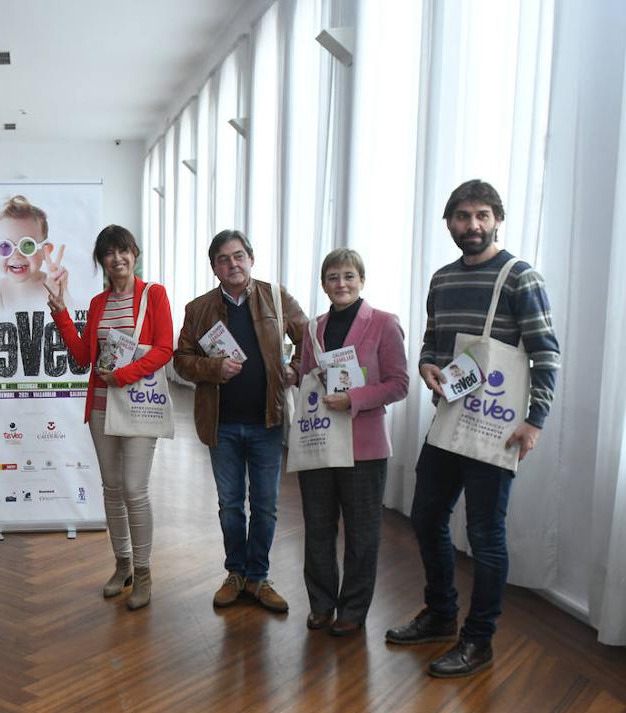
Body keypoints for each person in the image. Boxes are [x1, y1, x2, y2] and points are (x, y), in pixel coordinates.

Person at [387, 180, 560, 677]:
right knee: (425, 516)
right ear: (449, 223)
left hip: (499, 427)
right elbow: (431, 341)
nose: (473, 226)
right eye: (463, 217)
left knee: (486, 535)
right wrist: (425, 367)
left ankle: (478, 640)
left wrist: (535, 421)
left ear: (498, 219)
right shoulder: (442, 279)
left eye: (482, 215)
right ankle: (441, 613)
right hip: (452, 418)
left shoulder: (519, 277)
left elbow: (546, 352)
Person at [173, 229, 306, 613]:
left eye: (238, 256)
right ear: (214, 267)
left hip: (267, 421)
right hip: (222, 423)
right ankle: (235, 573)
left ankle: (258, 577)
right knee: (230, 505)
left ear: (251, 258)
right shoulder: (198, 309)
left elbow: (309, 337)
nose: (233, 264)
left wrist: (296, 369)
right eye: (223, 259)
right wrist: (213, 368)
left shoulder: (277, 298)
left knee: (265, 506)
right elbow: (181, 359)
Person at [48, 225, 173, 610]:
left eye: (122, 251)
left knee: (135, 488)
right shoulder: (100, 302)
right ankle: (122, 565)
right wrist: (61, 314)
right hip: (101, 406)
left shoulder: (154, 294)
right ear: (101, 260)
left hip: (137, 403)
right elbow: (85, 356)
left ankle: (144, 570)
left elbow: (165, 348)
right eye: (108, 253)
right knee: (112, 489)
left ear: (134, 253)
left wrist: (122, 375)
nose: (117, 259)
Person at [297, 249, 409, 636]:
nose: (340, 284)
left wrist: (354, 400)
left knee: (362, 533)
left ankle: (353, 609)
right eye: (332, 277)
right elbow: (308, 377)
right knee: (317, 527)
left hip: (365, 446)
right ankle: (321, 603)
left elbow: (399, 384)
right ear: (323, 284)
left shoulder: (384, 324)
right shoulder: (313, 328)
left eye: (348, 276)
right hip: (319, 440)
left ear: (362, 280)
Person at [0, 195, 69, 311]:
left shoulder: (52, 285)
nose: (16, 256)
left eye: (27, 245)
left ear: (46, 251)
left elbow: (73, 317)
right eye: (5, 246)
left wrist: (62, 291)